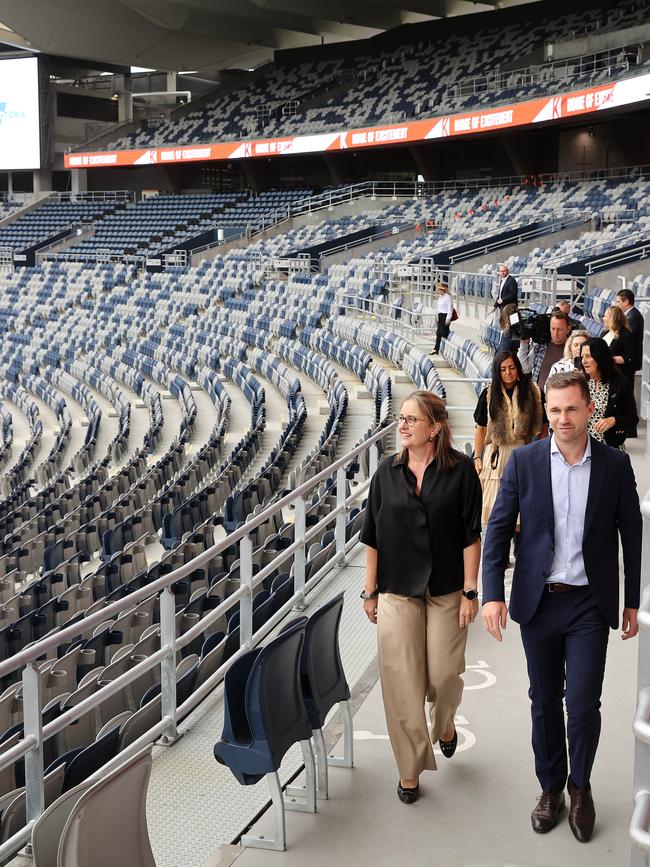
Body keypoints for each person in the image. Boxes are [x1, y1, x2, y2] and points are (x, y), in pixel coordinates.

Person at [481, 371, 642, 843]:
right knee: (544, 701)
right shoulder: (527, 462)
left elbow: (632, 537)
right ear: (545, 411)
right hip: (539, 602)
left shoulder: (614, 465)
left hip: (589, 604)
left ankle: (581, 787)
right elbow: (498, 531)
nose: (562, 419)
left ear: (588, 409)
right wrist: (491, 593)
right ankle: (550, 786)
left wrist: (632, 601)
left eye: (571, 409)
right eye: (554, 410)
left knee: (584, 704)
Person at [360, 390, 482, 804]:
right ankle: (409, 769)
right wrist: (369, 590)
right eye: (402, 418)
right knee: (402, 682)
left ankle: (445, 722)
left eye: (413, 419)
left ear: (436, 428)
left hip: (446, 588)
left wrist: (471, 590)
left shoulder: (462, 472)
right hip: (396, 590)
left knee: (443, 676)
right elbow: (371, 537)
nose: (404, 425)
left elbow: (471, 535)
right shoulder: (385, 473)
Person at [473, 350, 543, 529]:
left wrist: (540, 453)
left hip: (524, 452)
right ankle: (500, 556)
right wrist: (477, 457)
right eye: (503, 369)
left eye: (512, 367)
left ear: (518, 368)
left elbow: (542, 426)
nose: (508, 373)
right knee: (498, 517)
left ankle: (520, 554)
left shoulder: (532, 391)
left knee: (521, 518)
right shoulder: (489, 394)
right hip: (496, 455)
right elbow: (480, 428)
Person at [580, 337, 638, 448]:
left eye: (588, 356)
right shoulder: (581, 383)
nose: (584, 361)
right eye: (582, 357)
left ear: (600, 357)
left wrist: (613, 420)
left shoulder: (621, 383)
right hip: (583, 449)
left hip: (610, 448)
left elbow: (632, 419)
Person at [518, 310, 572, 391]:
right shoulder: (541, 347)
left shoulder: (572, 349)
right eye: (553, 328)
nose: (555, 333)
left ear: (568, 329)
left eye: (559, 329)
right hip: (538, 396)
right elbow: (525, 368)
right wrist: (524, 344)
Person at [615, 288, 643, 386]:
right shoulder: (630, 315)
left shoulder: (633, 317)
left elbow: (628, 338)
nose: (616, 304)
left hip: (629, 362)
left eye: (618, 301)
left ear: (626, 302)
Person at [603, 304, 634, 379]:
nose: (603, 318)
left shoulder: (626, 334)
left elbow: (629, 357)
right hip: (605, 373)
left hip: (619, 375)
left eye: (605, 316)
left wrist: (609, 359)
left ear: (612, 318)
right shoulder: (605, 333)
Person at [432, 282, 453, 354]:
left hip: (445, 316)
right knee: (441, 333)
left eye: (439, 290)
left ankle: (436, 349)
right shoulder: (440, 297)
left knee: (441, 332)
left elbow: (450, 308)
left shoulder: (447, 297)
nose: (438, 291)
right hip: (440, 315)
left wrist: (448, 318)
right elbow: (439, 307)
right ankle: (438, 349)